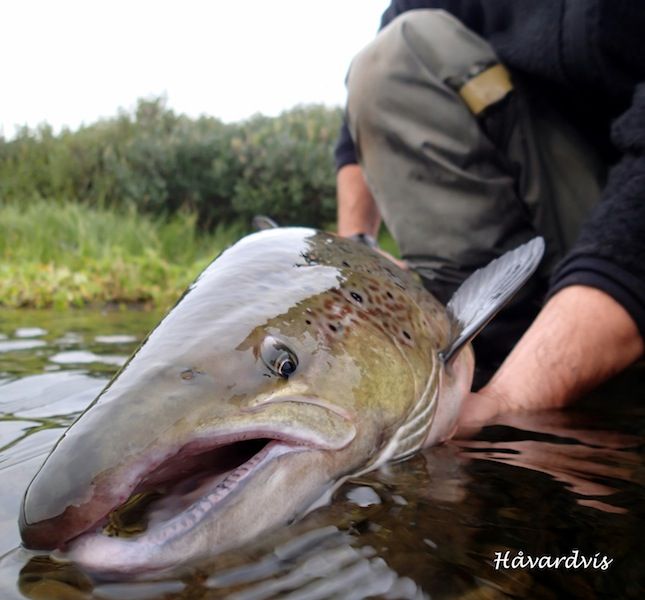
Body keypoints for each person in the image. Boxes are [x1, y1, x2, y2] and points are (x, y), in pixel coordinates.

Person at [335, 1, 645, 430]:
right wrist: (356, 248)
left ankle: (570, 360)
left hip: (622, 211)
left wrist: (510, 399)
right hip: (539, 176)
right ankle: (490, 343)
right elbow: (351, 137)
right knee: (392, 56)